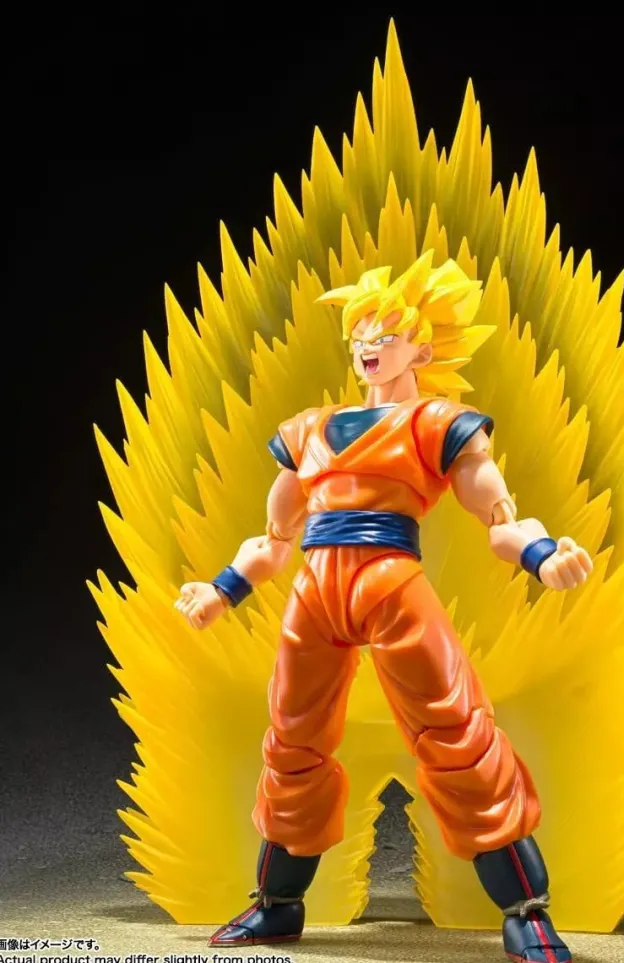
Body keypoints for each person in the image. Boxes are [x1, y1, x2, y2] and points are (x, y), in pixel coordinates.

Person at [175, 250, 592, 963]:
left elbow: (499, 517)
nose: (369, 345)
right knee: (292, 742)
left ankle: (527, 913)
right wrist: (221, 589)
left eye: (387, 333)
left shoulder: (438, 423)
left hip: (392, 584)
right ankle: (276, 905)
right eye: (360, 334)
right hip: (316, 591)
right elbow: (273, 538)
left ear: (421, 349)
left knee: (458, 734)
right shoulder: (308, 429)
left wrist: (543, 555)